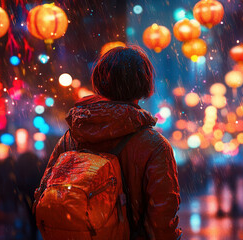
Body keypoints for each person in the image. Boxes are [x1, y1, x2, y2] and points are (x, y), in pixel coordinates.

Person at [35, 46, 181, 240]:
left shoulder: (72, 136)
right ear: (144, 82)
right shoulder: (155, 145)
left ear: (100, 81)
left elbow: (44, 195)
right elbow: (162, 220)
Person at [15, 152, 44, 240]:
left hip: (27, 198)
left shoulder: (21, 172)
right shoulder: (37, 171)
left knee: (30, 223)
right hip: (37, 199)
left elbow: (19, 184)